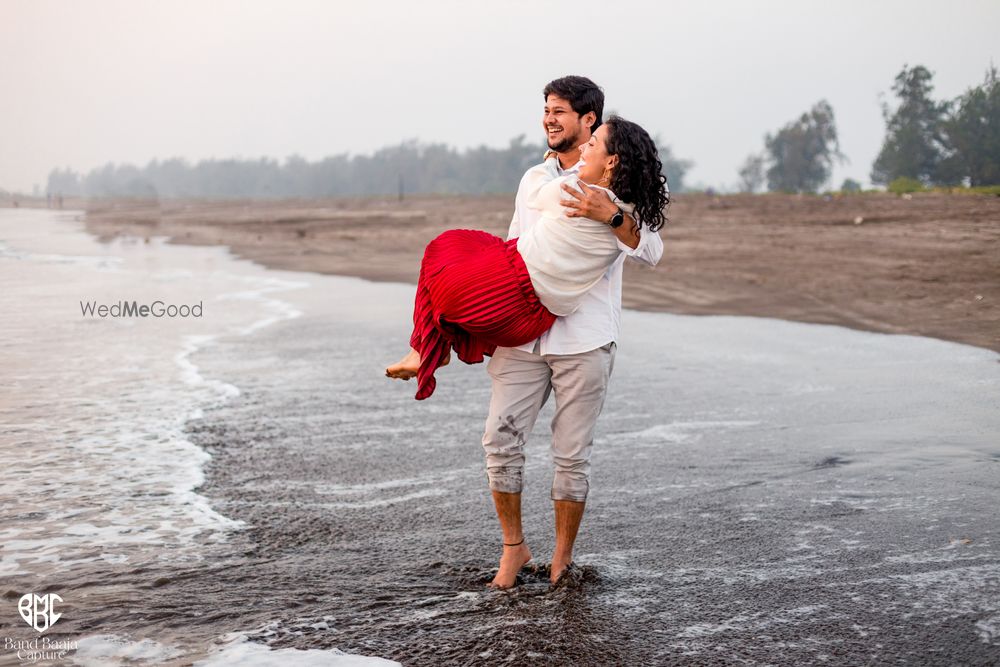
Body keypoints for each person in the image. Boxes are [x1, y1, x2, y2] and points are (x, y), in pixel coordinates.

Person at [388, 75, 666, 588]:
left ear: (589, 122)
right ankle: (514, 549)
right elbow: (518, 246)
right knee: (500, 440)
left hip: (584, 338)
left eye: (559, 111)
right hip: (524, 332)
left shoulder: (621, 181)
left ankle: (561, 562)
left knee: (571, 455)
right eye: (546, 109)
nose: (548, 119)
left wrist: (609, 216)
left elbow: (650, 249)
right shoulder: (534, 178)